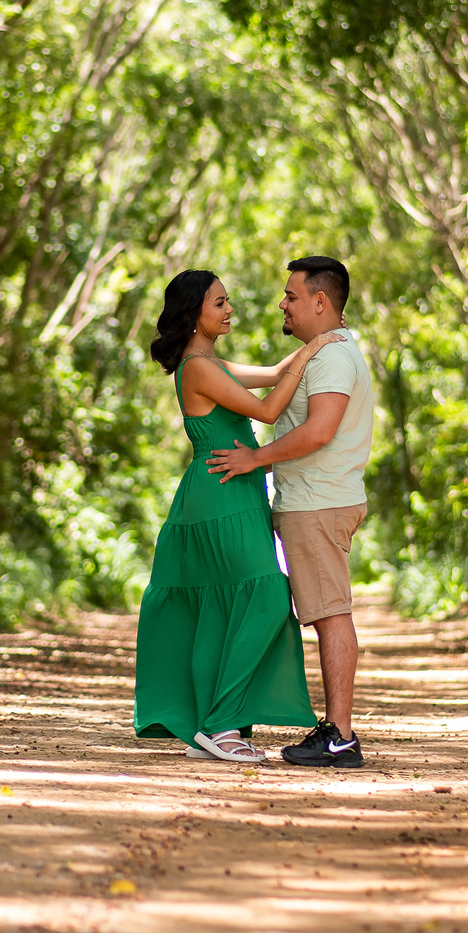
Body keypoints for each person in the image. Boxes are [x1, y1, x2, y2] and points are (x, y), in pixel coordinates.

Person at [133, 269, 345, 763]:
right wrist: (314, 353)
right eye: (220, 303)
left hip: (240, 491)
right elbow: (270, 410)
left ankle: (218, 726)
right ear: (193, 313)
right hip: (219, 495)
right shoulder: (198, 367)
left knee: (235, 604)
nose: (230, 310)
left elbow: (274, 374)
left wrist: (322, 343)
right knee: (268, 595)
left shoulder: (211, 362)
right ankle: (222, 726)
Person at [206, 256, 374, 768]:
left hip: (319, 504)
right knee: (310, 609)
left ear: (321, 302)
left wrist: (255, 458)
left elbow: (320, 429)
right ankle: (307, 723)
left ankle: (340, 736)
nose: (283, 303)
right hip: (311, 502)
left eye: (292, 296)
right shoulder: (321, 353)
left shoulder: (332, 359)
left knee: (330, 614)